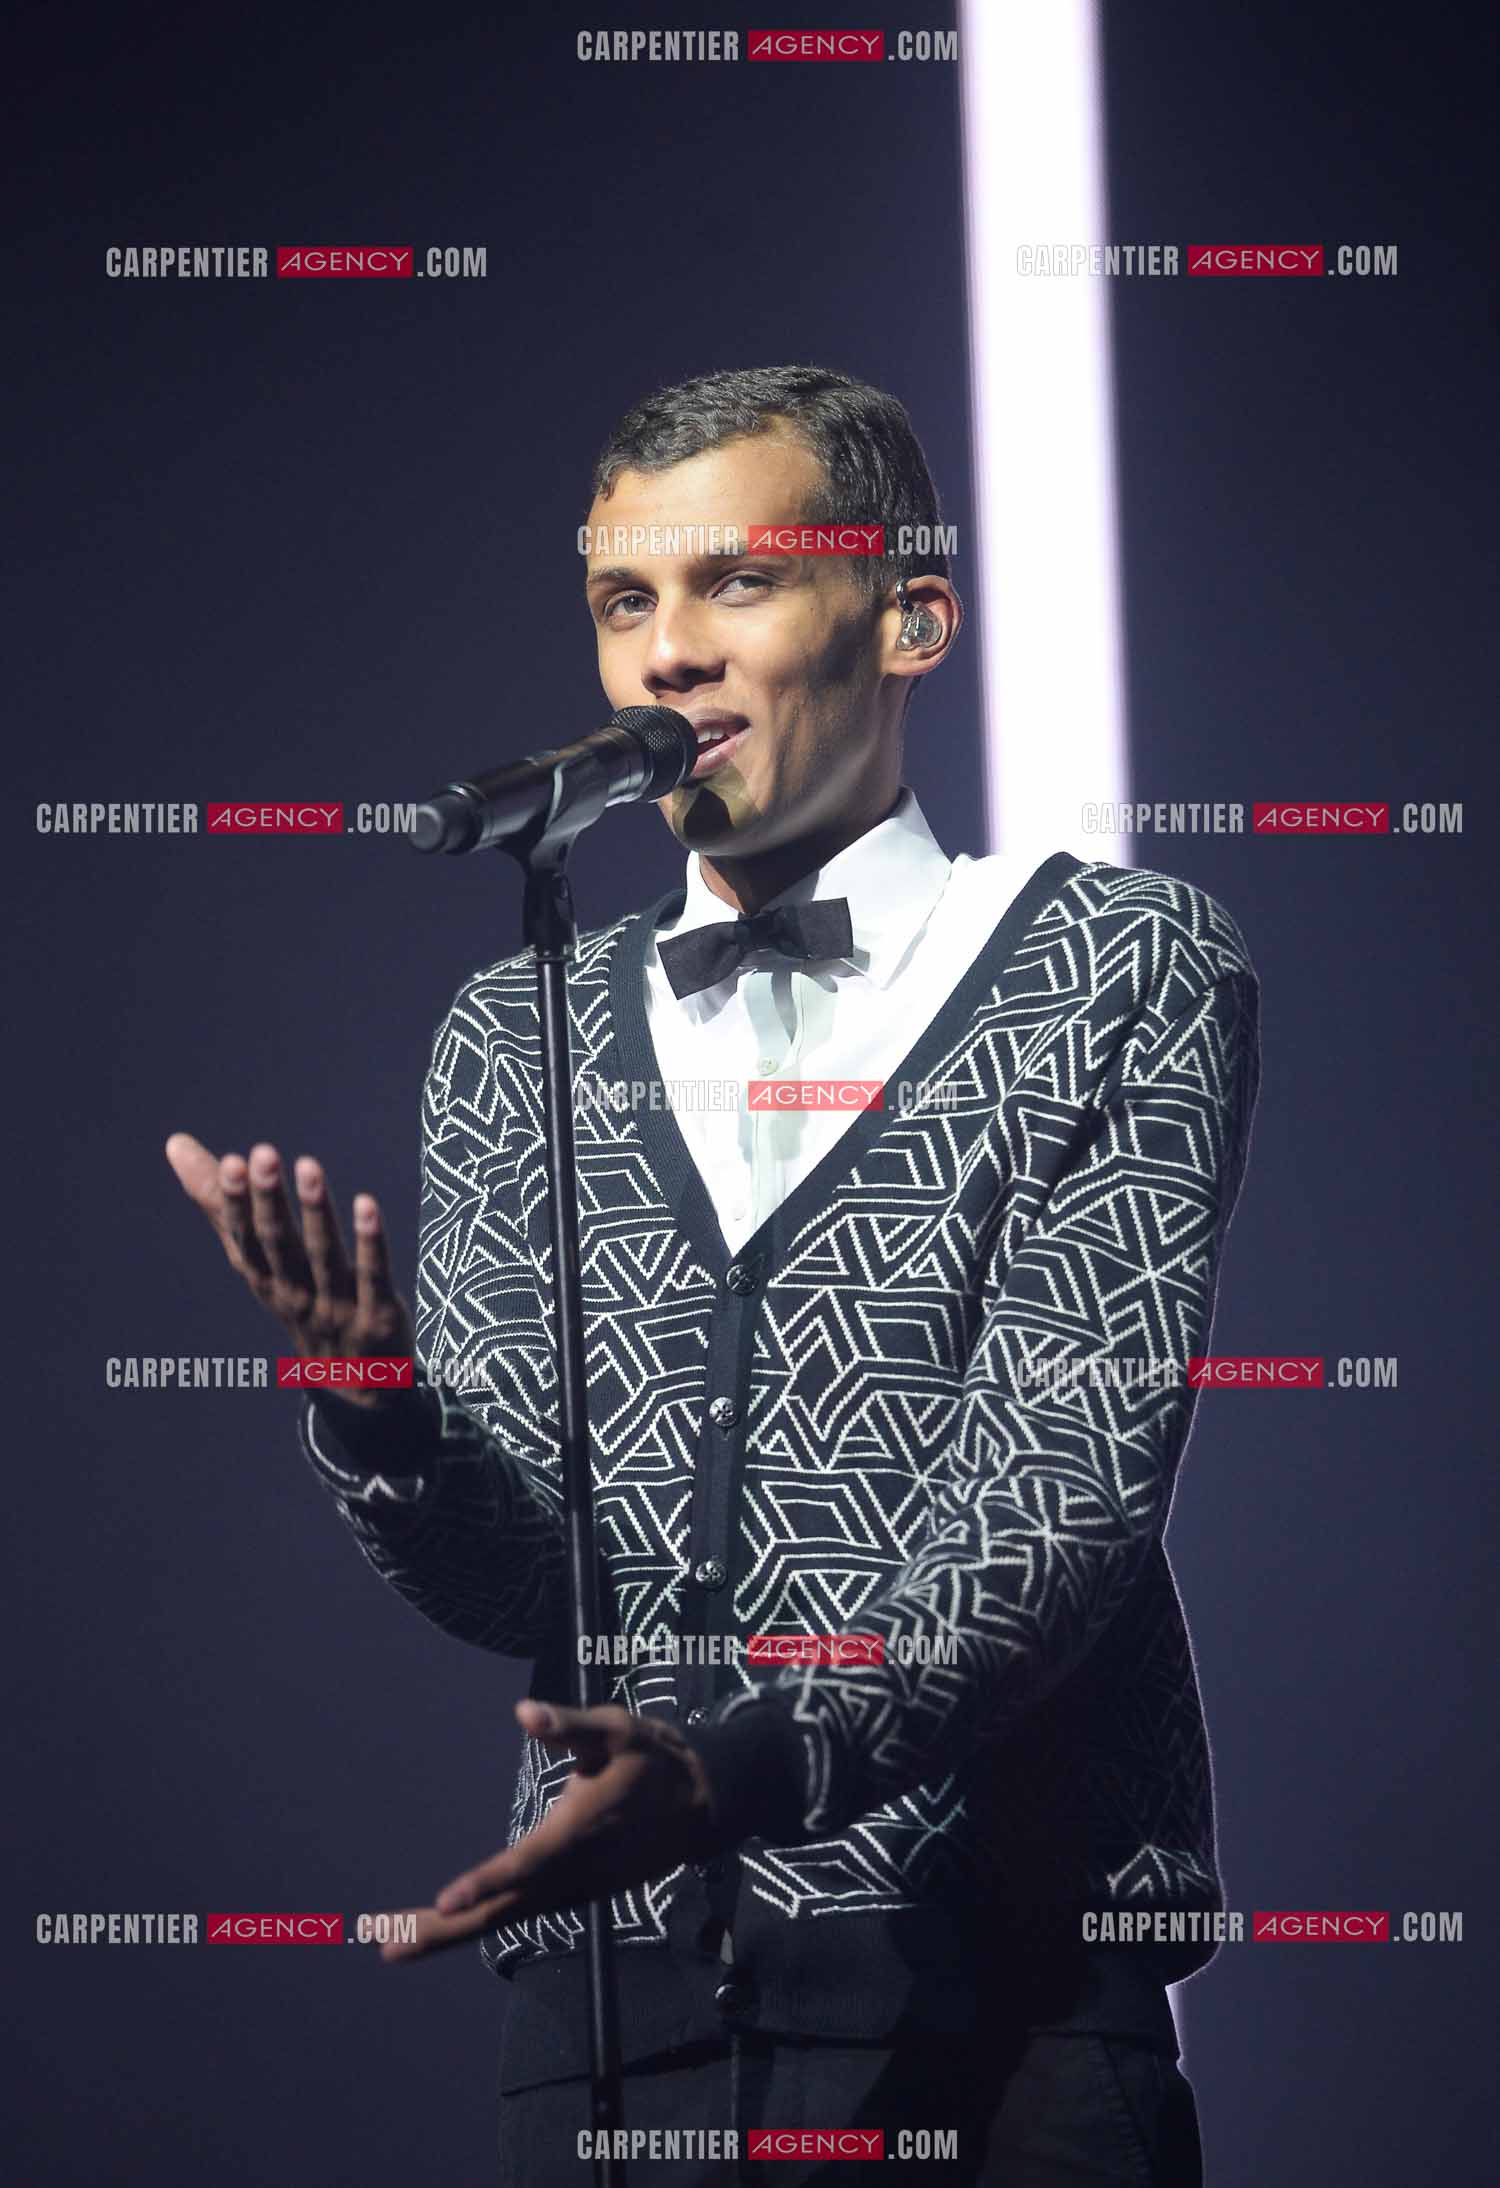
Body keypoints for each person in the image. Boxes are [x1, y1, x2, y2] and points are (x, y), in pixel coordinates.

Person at [166, 365, 1261, 2185]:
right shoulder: (518, 1034)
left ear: (910, 617)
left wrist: (746, 1768)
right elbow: (531, 1577)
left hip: (1009, 1990)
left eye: (734, 583)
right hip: (616, 2010)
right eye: (624, 600)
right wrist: (386, 1429)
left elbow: (1068, 1493)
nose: (665, 654)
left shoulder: (1117, 961)